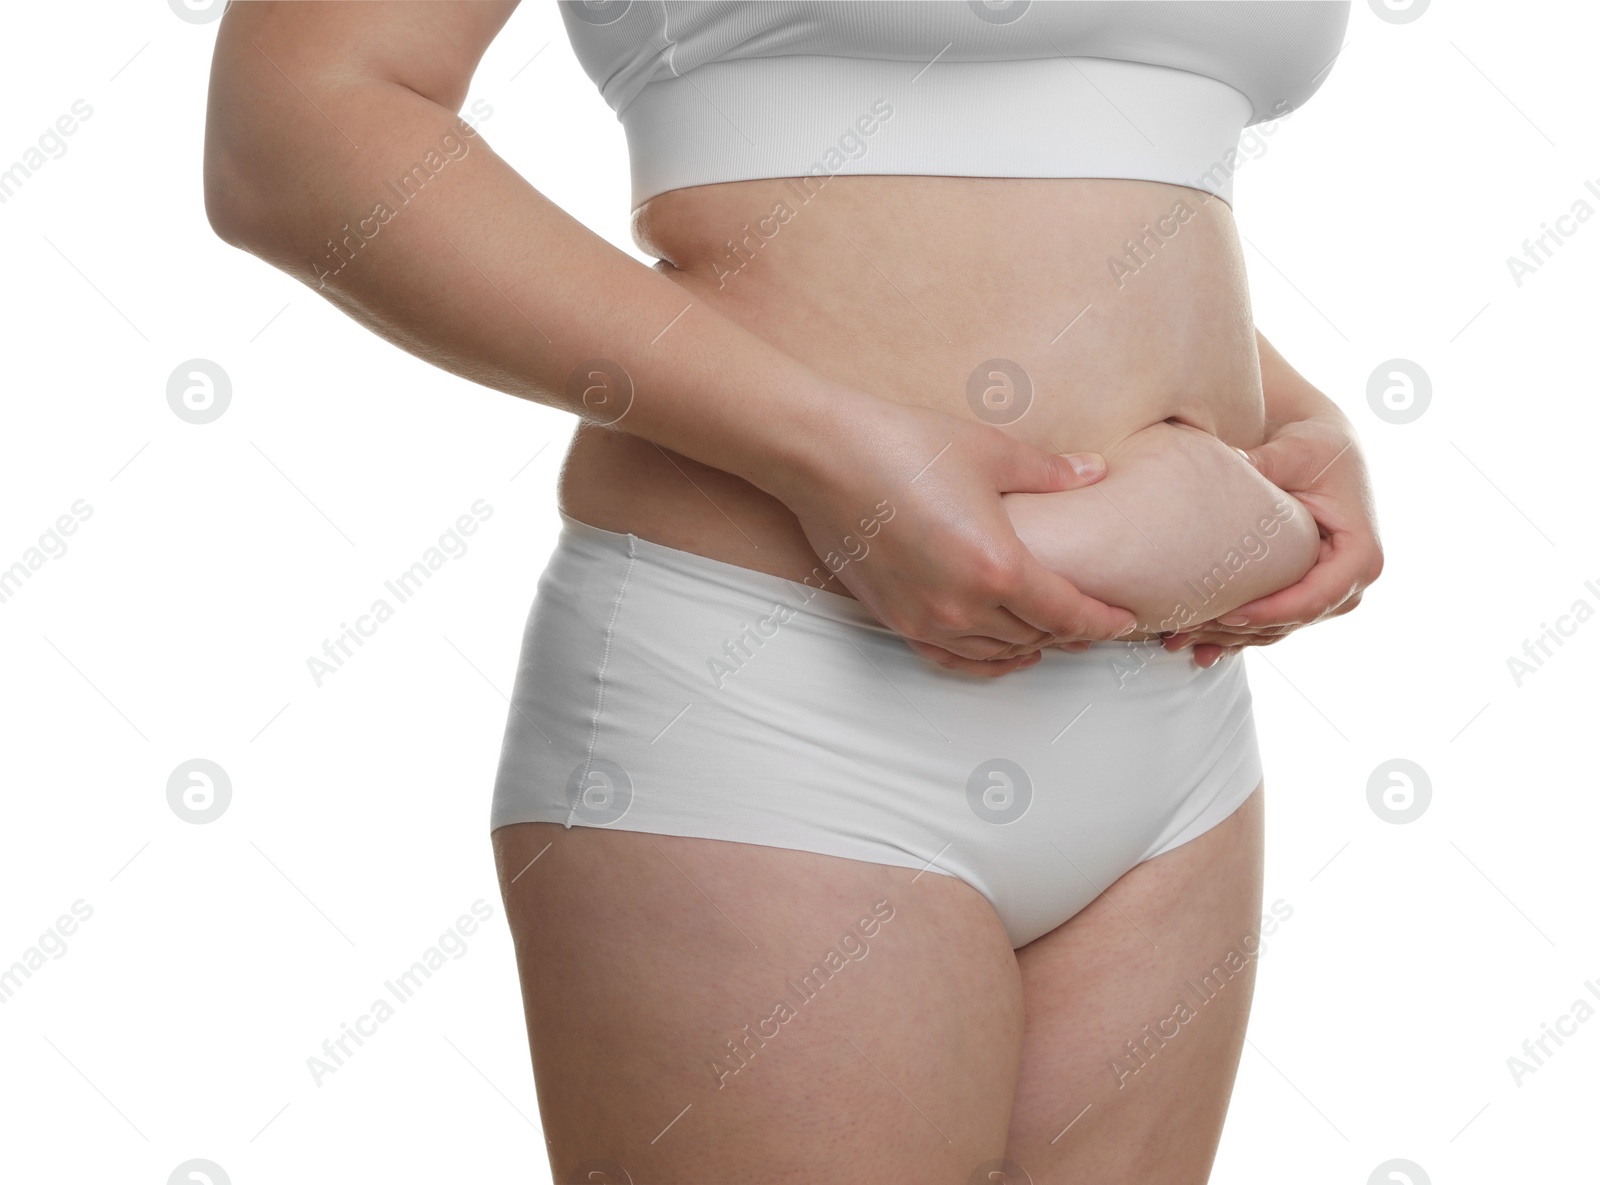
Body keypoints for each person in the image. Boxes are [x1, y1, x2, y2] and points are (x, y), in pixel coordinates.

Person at [203, 2, 1382, 1180]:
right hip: (772, 703)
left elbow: (1083, 174)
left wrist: (1292, 423)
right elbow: (293, 127)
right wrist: (826, 452)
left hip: (1173, 733)